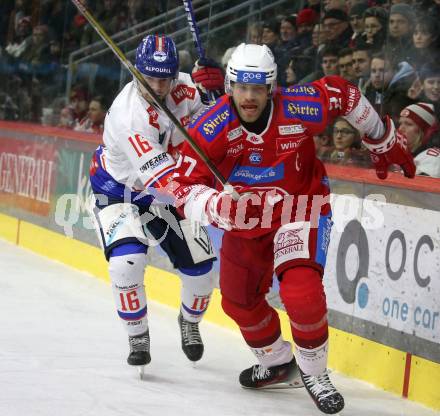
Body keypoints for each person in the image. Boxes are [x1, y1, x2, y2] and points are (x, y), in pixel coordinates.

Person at [169, 43, 415, 414]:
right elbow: (181, 188)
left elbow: (344, 94)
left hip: (301, 210)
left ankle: (315, 373)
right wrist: (217, 205)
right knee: (237, 300)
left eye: (258, 89)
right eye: (242, 88)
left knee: (301, 293)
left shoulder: (299, 105)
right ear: (231, 86)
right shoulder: (211, 125)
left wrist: (379, 136)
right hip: (246, 221)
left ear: (271, 88)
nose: (249, 98)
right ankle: (278, 361)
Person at [88, 34, 224, 373]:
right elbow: (164, 179)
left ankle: (189, 321)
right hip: (120, 187)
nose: (159, 86)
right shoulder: (127, 117)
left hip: (164, 185)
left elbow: (220, 125)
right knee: (127, 262)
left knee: (203, 272)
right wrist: (206, 199)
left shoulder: (184, 88)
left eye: (166, 77)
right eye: (151, 77)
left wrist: (218, 95)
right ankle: (138, 335)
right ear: (136, 72)